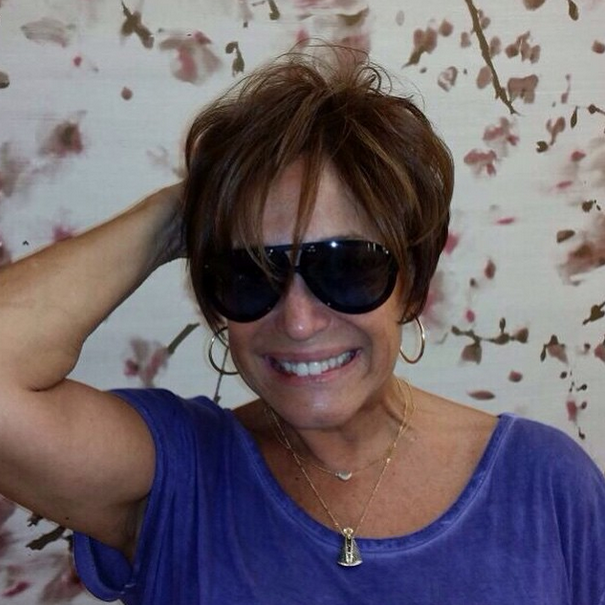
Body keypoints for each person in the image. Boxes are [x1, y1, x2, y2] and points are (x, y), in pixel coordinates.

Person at [0, 46, 603, 605]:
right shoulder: (176, 477)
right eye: (249, 273)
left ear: (413, 284)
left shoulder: (546, 486)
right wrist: (190, 210)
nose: (298, 321)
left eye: (346, 267)